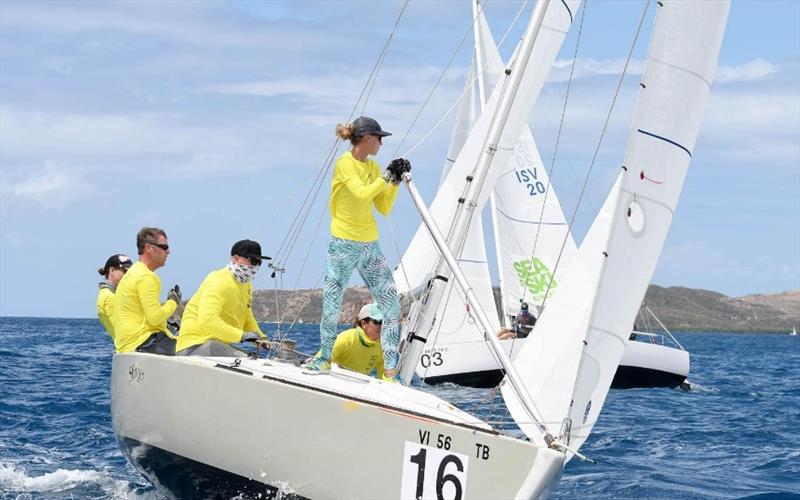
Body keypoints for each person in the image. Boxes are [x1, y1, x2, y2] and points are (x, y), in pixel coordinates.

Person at [307, 116, 411, 379]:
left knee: (390, 307)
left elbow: (383, 207)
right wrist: (386, 175)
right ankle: (324, 357)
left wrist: (394, 182)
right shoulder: (345, 164)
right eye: (379, 138)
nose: (381, 144)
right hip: (344, 243)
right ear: (366, 138)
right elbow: (362, 193)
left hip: (369, 245)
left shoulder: (374, 168)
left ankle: (389, 371)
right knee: (333, 300)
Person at [176, 239, 270, 356]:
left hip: (215, 346)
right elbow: (207, 320)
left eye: (259, 263)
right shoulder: (219, 281)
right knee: (246, 361)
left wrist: (262, 338)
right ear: (235, 259)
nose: (255, 266)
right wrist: (242, 336)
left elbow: (247, 317)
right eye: (252, 261)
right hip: (193, 346)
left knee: (252, 361)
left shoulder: (246, 285)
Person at [113, 227, 181, 354]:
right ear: (149, 248)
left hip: (126, 347)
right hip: (145, 344)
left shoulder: (131, 273)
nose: (168, 252)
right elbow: (154, 318)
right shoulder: (147, 277)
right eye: (164, 247)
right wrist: (173, 302)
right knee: (192, 345)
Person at [329, 303, 386, 379]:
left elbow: (386, 377)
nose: (381, 326)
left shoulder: (382, 348)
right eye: (378, 322)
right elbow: (320, 361)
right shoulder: (346, 339)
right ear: (364, 323)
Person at [96, 253, 133, 340]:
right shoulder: (109, 297)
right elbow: (124, 330)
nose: (128, 276)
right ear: (112, 270)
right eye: (125, 271)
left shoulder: (109, 294)